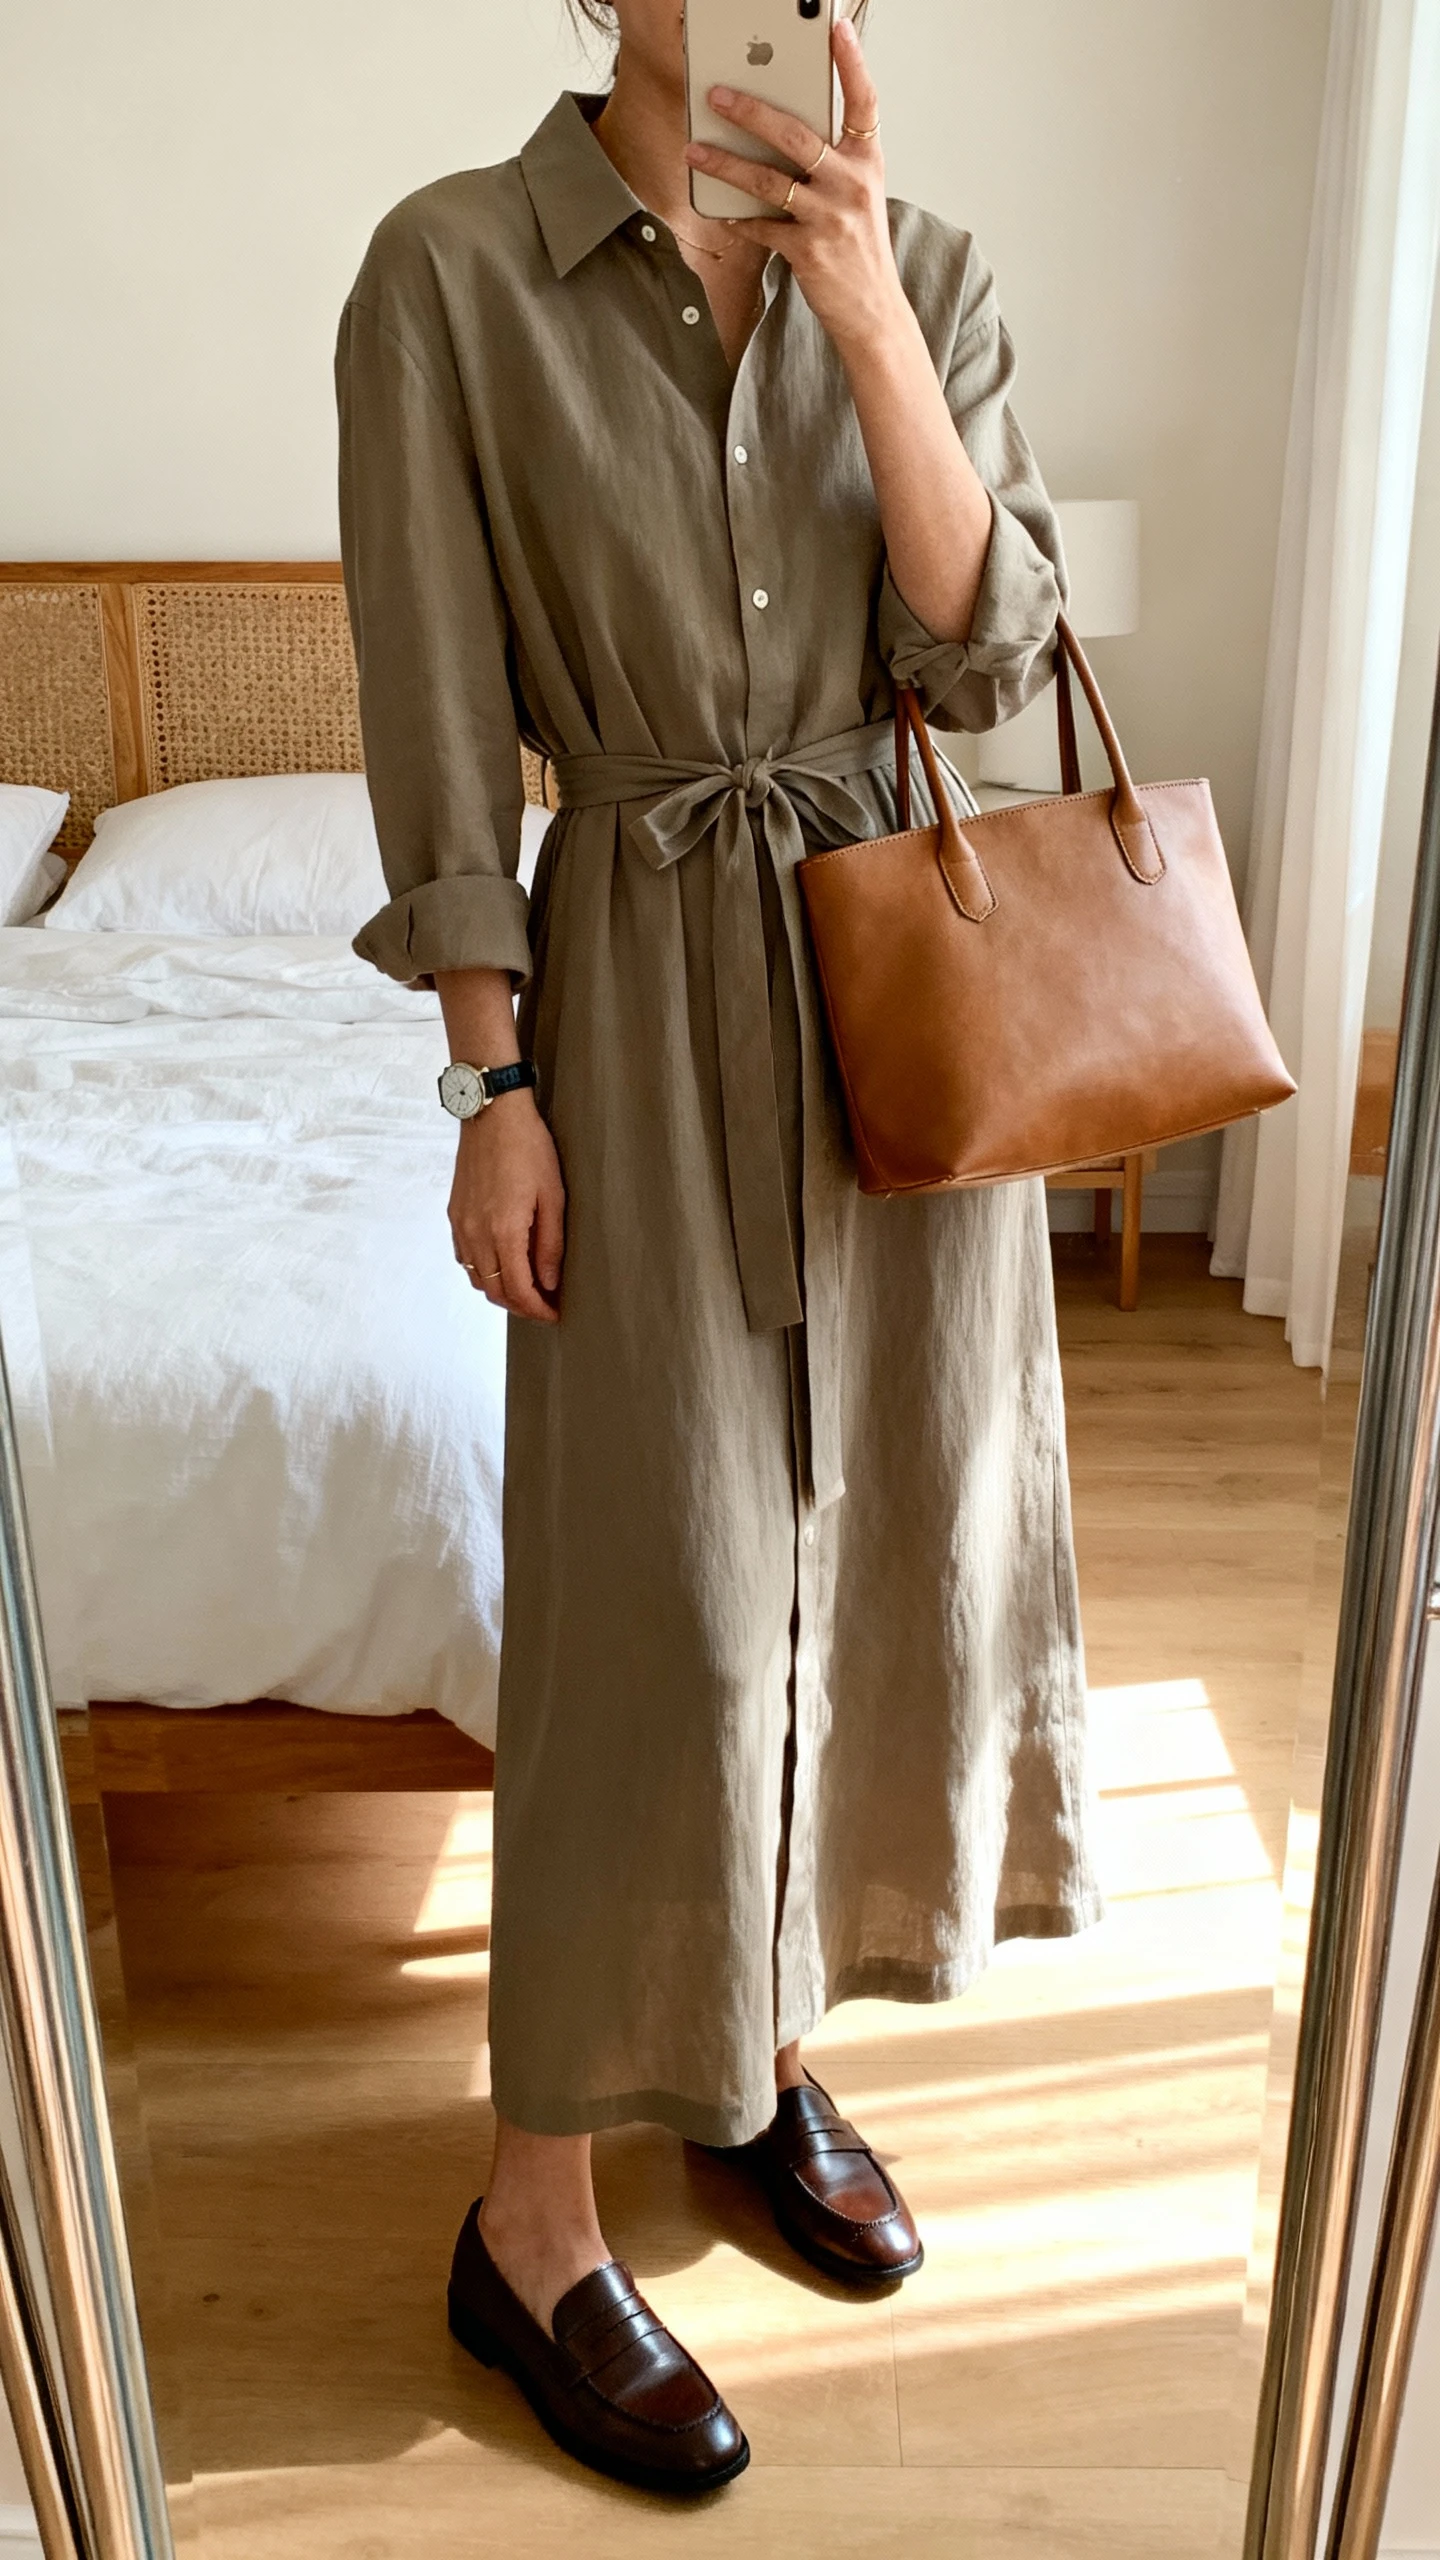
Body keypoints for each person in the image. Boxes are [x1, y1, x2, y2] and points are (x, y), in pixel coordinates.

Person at [337, 0, 1100, 2497]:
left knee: (870, 1551)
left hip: (897, 986)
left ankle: (754, 2056)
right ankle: (533, 2210)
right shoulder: (450, 271)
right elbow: (444, 718)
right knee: (645, 1596)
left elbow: (980, 655)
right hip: (642, 989)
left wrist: (873, 319)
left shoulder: (937, 266)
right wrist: (492, 1080)